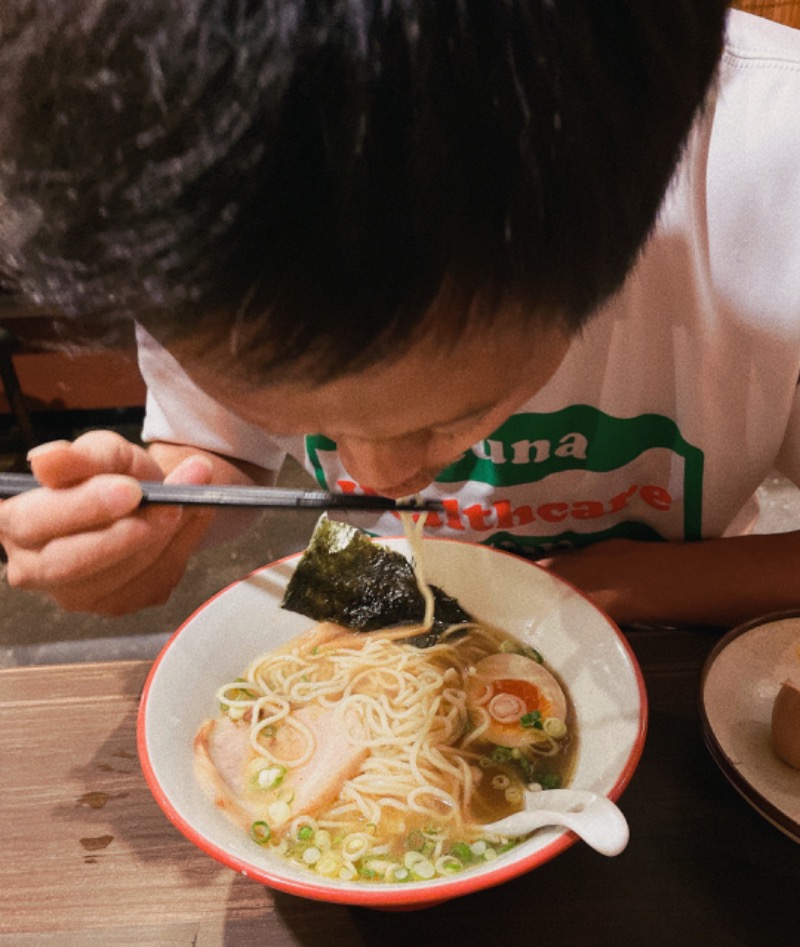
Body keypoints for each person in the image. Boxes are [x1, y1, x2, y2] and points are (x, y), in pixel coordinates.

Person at [1, 1, 799, 627]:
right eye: (311, 420)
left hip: (683, 634)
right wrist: (160, 515)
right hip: (370, 587)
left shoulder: (772, 172)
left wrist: (612, 585)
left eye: (453, 416)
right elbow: (215, 451)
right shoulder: (194, 187)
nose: (372, 480)